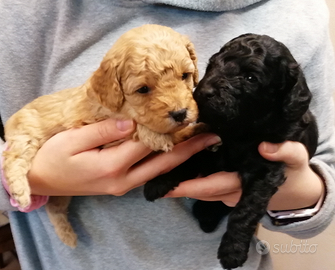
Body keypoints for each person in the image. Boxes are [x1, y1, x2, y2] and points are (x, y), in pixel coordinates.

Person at [0, 0, 334, 269]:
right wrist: (36, 179)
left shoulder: (299, 11)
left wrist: (295, 191)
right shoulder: (23, 10)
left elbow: (325, 168)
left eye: (189, 75)